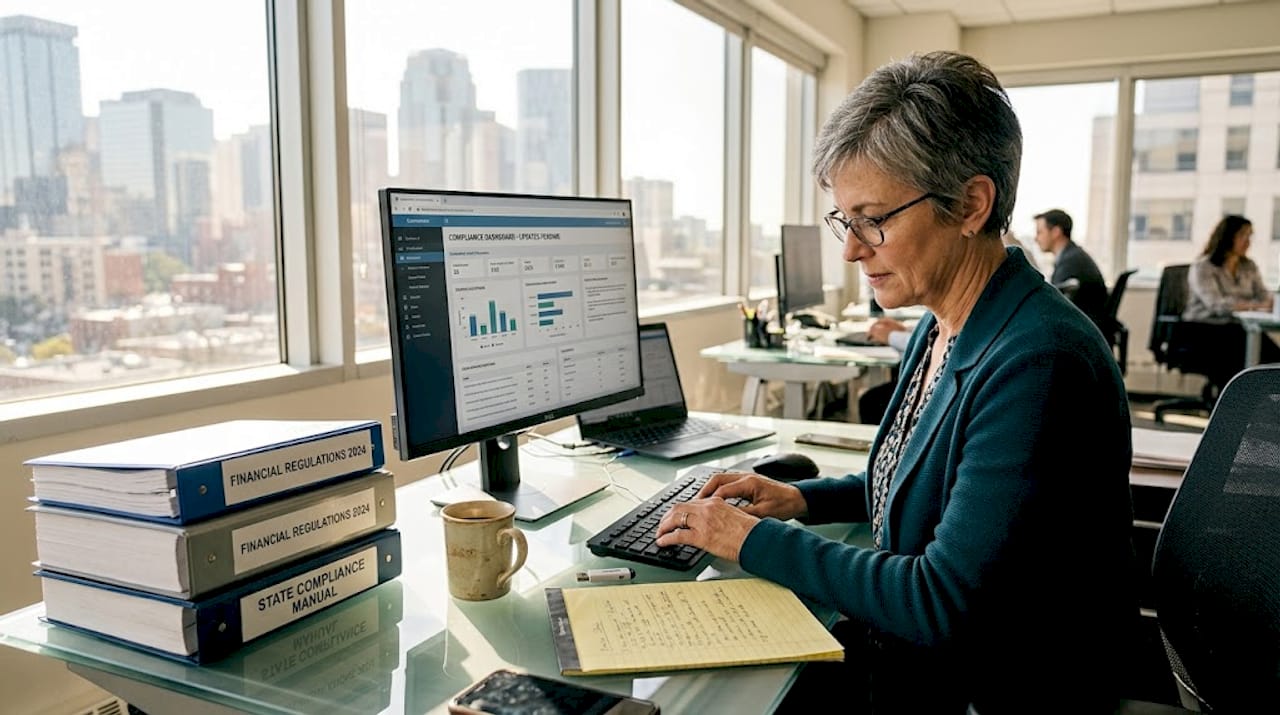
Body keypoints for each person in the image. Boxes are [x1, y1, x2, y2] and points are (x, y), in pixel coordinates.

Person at [655, 51, 1136, 713]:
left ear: (971, 204)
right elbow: (926, 483)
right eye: (844, 219)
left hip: (998, 690)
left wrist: (751, 539)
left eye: (873, 218)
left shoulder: (1037, 359)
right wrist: (801, 499)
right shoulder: (947, 320)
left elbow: (940, 600)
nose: (851, 249)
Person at [1183, 214, 1279, 388]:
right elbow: (1216, 304)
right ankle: (1238, 408)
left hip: (1237, 328)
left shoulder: (1249, 266)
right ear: (1227, 237)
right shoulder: (1203, 266)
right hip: (1203, 329)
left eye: (1250, 236)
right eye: (1243, 235)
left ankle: (1264, 407)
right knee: (1244, 352)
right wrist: (1255, 306)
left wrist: (1269, 302)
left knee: (1273, 356)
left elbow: (1264, 295)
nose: (1248, 241)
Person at [1034, 208, 1108, 327]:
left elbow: (1053, 302)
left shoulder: (1071, 262)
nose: (1036, 238)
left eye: (1039, 232)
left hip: (1083, 329)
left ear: (1056, 232)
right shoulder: (1073, 255)